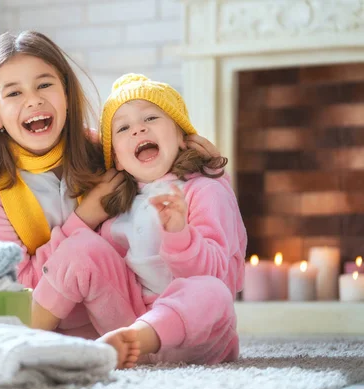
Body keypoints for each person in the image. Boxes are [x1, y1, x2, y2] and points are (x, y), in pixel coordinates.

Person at [0, 30, 223, 342]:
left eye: (44, 84)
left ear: (66, 94)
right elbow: (18, 284)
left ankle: (145, 336)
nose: (34, 99)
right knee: (84, 252)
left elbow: (158, 171)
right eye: (14, 93)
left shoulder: (99, 147)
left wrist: (202, 161)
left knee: (210, 293)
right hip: (51, 327)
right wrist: (84, 218)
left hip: (123, 310)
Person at [31, 73, 247, 369]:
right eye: (123, 127)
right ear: (117, 159)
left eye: (151, 118)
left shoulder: (204, 190)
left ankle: (134, 339)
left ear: (182, 137)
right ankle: (26, 336)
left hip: (195, 338)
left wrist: (179, 233)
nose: (138, 129)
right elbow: (101, 276)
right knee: (82, 248)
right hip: (127, 322)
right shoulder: (118, 204)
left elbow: (218, 275)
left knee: (214, 292)